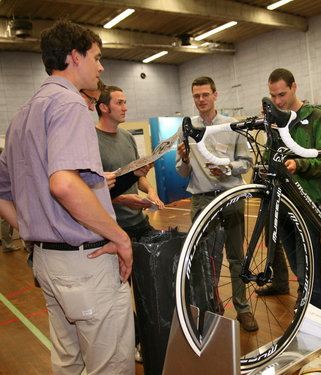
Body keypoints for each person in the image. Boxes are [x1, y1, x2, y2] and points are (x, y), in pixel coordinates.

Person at [0, 20, 135, 374]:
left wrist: (30, 230)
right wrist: (120, 237)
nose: (101, 66)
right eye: (96, 57)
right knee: (109, 365)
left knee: (68, 362)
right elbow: (63, 184)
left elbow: (3, 189)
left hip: (47, 263)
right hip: (84, 263)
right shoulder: (70, 105)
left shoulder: (22, 116)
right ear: (75, 57)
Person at [176, 76, 257, 331]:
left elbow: (247, 162)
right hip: (201, 201)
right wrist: (185, 159)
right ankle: (213, 309)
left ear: (215, 95)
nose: (201, 100)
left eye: (205, 95)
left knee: (236, 258)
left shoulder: (232, 126)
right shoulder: (187, 128)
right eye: (196, 96)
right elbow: (182, 172)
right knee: (206, 259)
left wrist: (228, 169)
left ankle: (242, 308)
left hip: (230, 198)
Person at [255, 68, 321, 311]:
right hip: (284, 203)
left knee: (310, 272)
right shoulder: (278, 121)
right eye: (273, 96)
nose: (278, 101)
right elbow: (272, 155)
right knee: (299, 270)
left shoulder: (316, 117)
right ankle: (308, 310)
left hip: (308, 204)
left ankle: (320, 312)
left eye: (282, 94)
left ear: (294, 87)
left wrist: (298, 165)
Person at [95, 85, 164, 240]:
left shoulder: (127, 136)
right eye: (119, 103)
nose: (125, 108)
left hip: (139, 221)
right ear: (104, 107)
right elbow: (89, 190)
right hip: (112, 227)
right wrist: (120, 200)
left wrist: (151, 191)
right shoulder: (91, 141)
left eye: (125, 102)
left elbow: (137, 176)